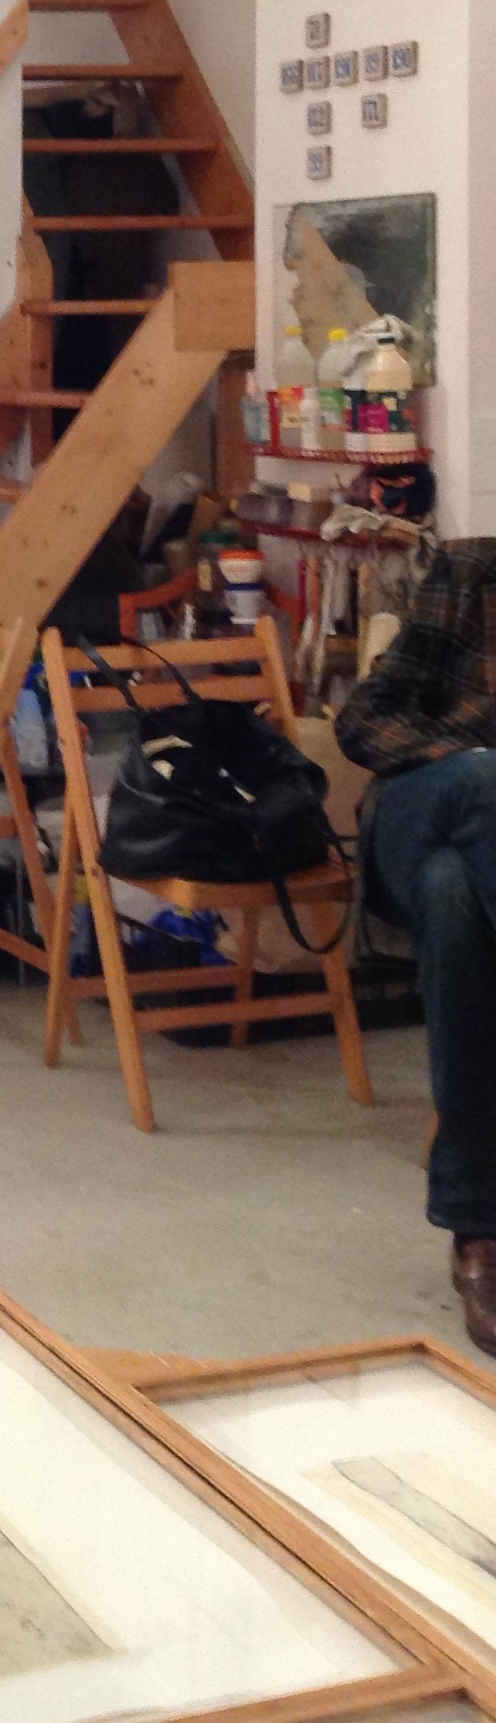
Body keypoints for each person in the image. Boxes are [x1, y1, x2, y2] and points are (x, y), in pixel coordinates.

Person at [336, 538, 496, 1356]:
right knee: (485, 784)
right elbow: (362, 721)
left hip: (461, 871)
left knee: (451, 898)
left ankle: (479, 1235)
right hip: (426, 805)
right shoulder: (473, 574)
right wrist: (458, 757)